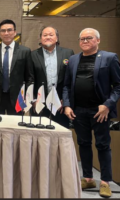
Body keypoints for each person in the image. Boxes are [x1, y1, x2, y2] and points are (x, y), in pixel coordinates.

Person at [63, 28, 120, 198]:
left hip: (100, 111)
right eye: (82, 39)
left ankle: (105, 182)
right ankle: (88, 178)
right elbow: (66, 85)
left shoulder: (109, 58)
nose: (85, 41)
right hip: (78, 111)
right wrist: (67, 105)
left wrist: (108, 105)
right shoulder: (73, 59)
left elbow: (118, 86)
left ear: (98, 40)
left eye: (89, 38)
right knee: (83, 143)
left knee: (103, 145)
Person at [0, 19, 33, 115]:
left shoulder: (25, 51)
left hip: (18, 98)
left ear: (15, 32)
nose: (6, 33)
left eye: (9, 30)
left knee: (15, 127)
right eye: (3, 30)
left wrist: (27, 97)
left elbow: (29, 77)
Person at [30, 26, 74, 128]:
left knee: (60, 131)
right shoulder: (32, 55)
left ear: (57, 38)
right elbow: (30, 78)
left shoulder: (68, 53)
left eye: (51, 35)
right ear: (41, 39)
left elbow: (71, 79)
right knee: (39, 133)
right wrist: (33, 99)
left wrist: (66, 99)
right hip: (40, 102)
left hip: (60, 102)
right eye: (45, 35)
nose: (48, 37)